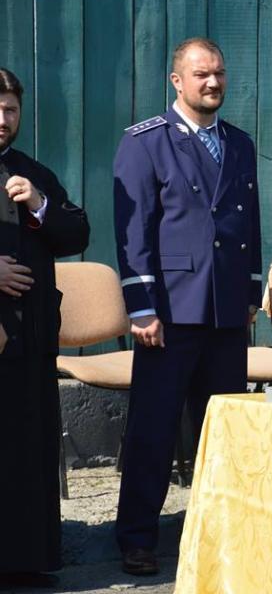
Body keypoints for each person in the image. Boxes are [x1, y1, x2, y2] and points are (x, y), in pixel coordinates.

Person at [113, 37, 261, 576]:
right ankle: (136, 538)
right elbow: (134, 231)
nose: (213, 82)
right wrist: (141, 307)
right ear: (177, 81)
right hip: (170, 312)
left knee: (223, 429)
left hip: (225, 310)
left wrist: (250, 290)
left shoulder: (238, 143)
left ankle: (220, 530)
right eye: (201, 74)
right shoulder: (146, 142)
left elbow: (248, 222)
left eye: (218, 73)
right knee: (153, 430)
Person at [0, 68, 90, 589]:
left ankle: (27, 558)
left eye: (10, 109)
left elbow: (77, 233)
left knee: (27, 451)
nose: (3, 118)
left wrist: (38, 204)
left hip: (31, 339)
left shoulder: (33, 173)